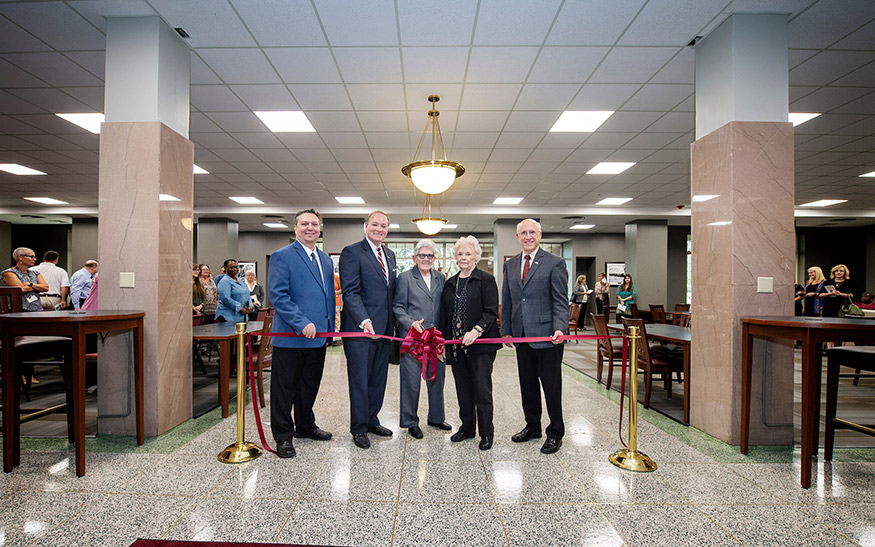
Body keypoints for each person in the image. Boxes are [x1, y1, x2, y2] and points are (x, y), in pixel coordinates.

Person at [267, 209, 335, 458]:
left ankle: (305, 425)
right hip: (291, 336)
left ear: (320, 228)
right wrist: (300, 322)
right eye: (304, 223)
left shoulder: (325, 260)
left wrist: (330, 330)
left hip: (318, 338)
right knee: (285, 390)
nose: (310, 228)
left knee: (309, 386)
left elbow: (328, 298)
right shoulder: (282, 256)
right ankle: (283, 436)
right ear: (295, 228)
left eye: (314, 224)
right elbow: (279, 295)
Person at [501, 219, 569, 455]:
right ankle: (533, 426)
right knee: (527, 385)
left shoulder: (555, 263)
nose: (528, 236)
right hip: (521, 336)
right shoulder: (510, 265)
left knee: (551, 387)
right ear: (517, 237)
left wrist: (561, 327)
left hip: (549, 337)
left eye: (532, 232)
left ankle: (555, 432)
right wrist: (507, 330)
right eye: (523, 233)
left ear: (540, 235)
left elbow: (561, 301)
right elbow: (508, 300)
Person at [339, 210, 396, 449]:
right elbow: (350, 292)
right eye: (375, 225)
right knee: (360, 380)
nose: (379, 229)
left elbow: (388, 293)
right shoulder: (352, 252)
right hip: (360, 329)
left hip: (384, 330)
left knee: (377, 378)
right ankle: (359, 427)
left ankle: (372, 419)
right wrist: (364, 319)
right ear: (366, 226)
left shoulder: (390, 255)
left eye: (383, 226)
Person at [440, 236, 500, 450]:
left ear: (476, 256)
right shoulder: (450, 283)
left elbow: (491, 310)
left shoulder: (486, 280)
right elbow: (445, 314)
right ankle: (467, 428)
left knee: (481, 390)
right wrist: (442, 341)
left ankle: (486, 432)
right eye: (460, 254)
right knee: (463, 389)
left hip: (481, 347)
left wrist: (477, 330)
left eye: (468, 254)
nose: (464, 257)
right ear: (455, 257)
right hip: (457, 348)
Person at [393, 239, 449, 440]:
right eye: (422, 255)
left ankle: (436, 418)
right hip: (413, 339)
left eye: (430, 256)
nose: (426, 259)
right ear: (414, 257)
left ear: (434, 258)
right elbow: (398, 307)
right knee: (411, 382)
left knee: (436, 378)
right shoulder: (405, 278)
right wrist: (410, 323)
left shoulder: (440, 277)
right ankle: (410, 422)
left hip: (435, 338)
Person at [2, 247, 48, 312]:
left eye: (34, 257)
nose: (34, 259)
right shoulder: (9, 273)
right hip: (18, 309)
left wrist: (31, 285)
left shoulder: (35, 273)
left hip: (37, 308)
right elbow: (20, 289)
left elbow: (46, 287)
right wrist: (38, 288)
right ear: (20, 257)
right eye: (31, 257)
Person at [214, 259, 253, 323]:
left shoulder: (240, 281)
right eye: (232, 267)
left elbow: (247, 295)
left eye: (236, 267)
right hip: (228, 316)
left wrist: (250, 306)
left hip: (241, 317)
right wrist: (240, 308)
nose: (235, 269)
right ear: (225, 268)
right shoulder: (224, 281)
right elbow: (226, 299)